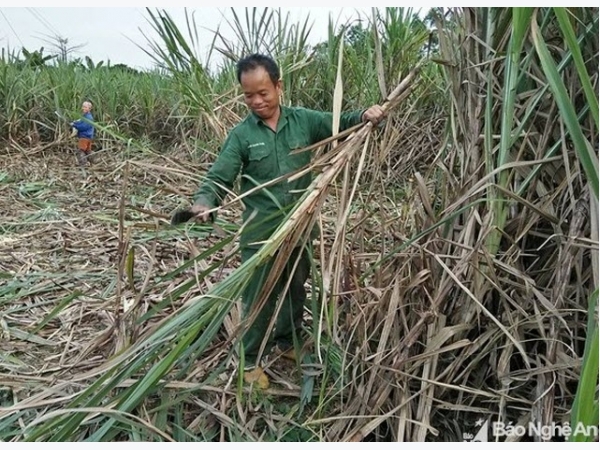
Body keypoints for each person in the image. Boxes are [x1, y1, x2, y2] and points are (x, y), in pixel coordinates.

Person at [190, 53, 385, 370]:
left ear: (279, 86)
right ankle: (250, 362)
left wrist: (365, 114)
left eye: (263, 92)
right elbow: (218, 178)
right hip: (260, 237)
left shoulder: (304, 121)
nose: (256, 101)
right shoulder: (242, 135)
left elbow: (341, 122)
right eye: (248, 95)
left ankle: (287, 342)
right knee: (258, 300)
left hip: (299, 230)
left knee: (295, 291)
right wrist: (204, 202)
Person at [70, 100, 95, 166]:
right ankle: (92, 161)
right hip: (89, 137)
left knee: (81, 150)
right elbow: (81, 122)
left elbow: (83, 127)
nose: (83, 108)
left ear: (89, 108)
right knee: (87, 151)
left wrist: (74, 125)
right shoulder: (86, 116)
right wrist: (75, 123)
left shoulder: (88, 118)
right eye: (83, 106)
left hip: (84, 137)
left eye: (85, 107)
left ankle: (84, 163)